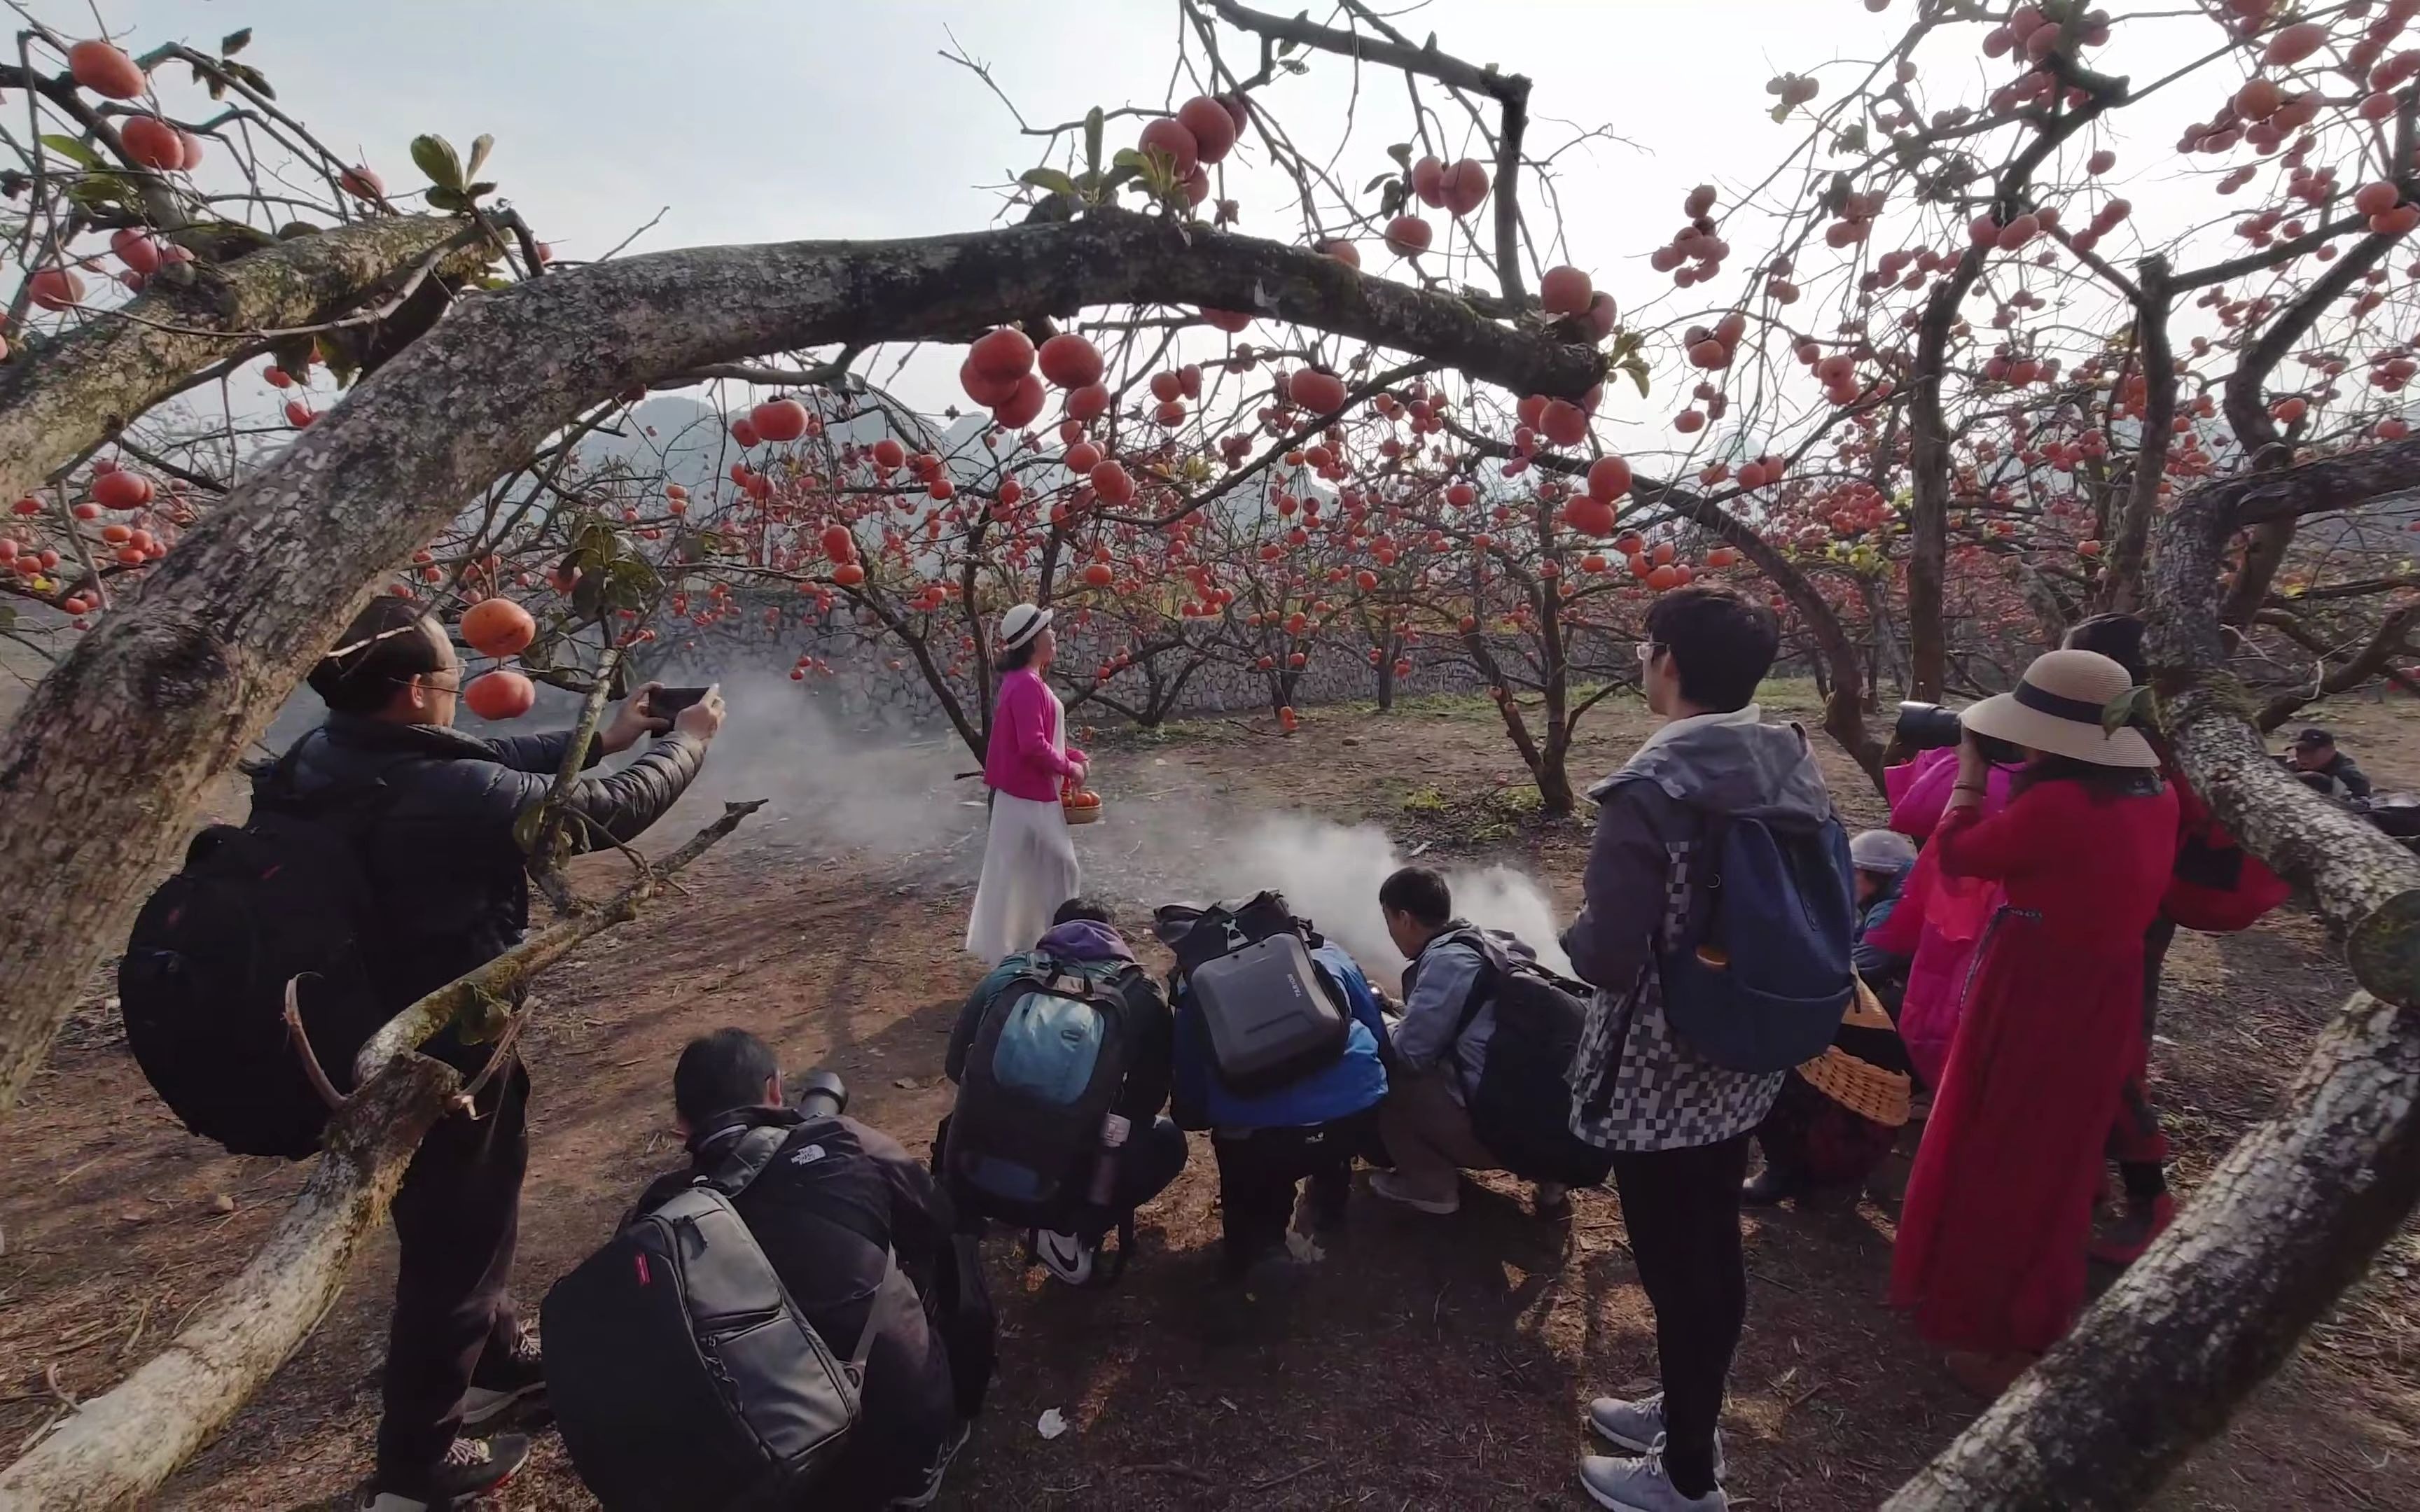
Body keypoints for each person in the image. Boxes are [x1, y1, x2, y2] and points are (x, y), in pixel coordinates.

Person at [270, 596, 719, 1512]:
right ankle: (420, 1459)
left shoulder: (331, 754)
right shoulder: (433, 789)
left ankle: (494, 1353)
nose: (459, 692)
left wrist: (612, 730)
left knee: (457, 1217)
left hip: (371, 1024)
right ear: (407, 693)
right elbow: (602, 816)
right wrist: (691, 743)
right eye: (448, 679)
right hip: (448, 1050)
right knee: (459, 1236)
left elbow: (486, 767)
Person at [1563, 586, 1837, 1512]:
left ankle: (1686, 1476)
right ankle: (1689, 1411)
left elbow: (1606, 954)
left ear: (1669, 660)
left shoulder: (1652, 787)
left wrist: (1572, 929)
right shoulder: (1788, 757)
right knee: (1711, 1243)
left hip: (1660, 1067)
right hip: (1745, 1044)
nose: (1643, 661)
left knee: (1680, 1267)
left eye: (1647, 647)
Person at [1888, 650, 2178, 1399]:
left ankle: (2002, 1331)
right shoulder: (2156, 794)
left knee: (2004, 1147)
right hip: (2104, 987)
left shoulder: (2058, 807)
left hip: (2036, 989)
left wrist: (1972, 772)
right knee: (2058, 1149)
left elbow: (1958, 853)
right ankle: (2025, 1302)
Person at [625, 1030, 989, 1510]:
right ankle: (936, 1434)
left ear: (681, 1124)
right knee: (951, 1244)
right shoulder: (840, 1141)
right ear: (775, 1090)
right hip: (896, 1449)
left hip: (756, 1478)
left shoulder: (655, 1217)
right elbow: (936, 1215)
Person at [942, 897, 1189, 1285]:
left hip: (975, 1162)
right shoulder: (1141, 992)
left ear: (1053, 931)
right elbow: (1146, 1103)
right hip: (1069, 1179)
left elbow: (956, 1066)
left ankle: (979, 1215)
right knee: (1167, 1141)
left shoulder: (1007, 974)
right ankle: (1071, 1232)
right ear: (1115, 935)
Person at [1169, 925, 1390, 1282]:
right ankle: (1329, 1206)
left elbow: (1190, 1085)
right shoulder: (1329, 956)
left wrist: (1196, 1115)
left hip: (1261, 1141)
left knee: (1243, 1144)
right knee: (1333, 1115)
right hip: (1351, 1117)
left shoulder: (1196, 984)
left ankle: (1251, 1247)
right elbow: (1377, 1035)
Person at [1366, 865, 1567, 1218]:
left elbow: (1411, 1054)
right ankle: (1553, 1176)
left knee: (1385, 1071)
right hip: (1555, 1127)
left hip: (1498, 1132)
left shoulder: (1447, 961)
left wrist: (1378, 1019)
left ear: (1404, 918)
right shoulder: (1492, 942)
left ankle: (1430, 1187)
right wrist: (1400, 1011)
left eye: (1389, 921)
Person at [1739, 830, 1915, 1210]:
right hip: (1886, 1041)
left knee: (1777, 1065)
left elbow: (1859, 967)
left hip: (1881, 1038)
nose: (1847, 880)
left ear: (1874, 874)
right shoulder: (1893, 900)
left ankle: (1785, 1171)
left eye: (1855, 872)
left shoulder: (1896, 911)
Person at [965, 604, 1087, 965]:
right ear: (1035, 642)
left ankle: (1035, 942)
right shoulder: (1026, 686)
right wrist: (1070, 769)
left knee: (1028, 870)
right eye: (1049, 630)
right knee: (1060, 868)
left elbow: (1040, 737)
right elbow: (1032, 744)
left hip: (1025, 794)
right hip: (1028, 797)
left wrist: (1072, 756)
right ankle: (1060, 942)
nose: (1054, 635)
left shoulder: (1026, 683)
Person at [2283, 726, 2372, 799]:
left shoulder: (2351, 777)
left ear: (2330, 750)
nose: (2302, 756)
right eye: (2299, 750)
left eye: (2310, 752)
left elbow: (2363, 810)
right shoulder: (2293, 766)